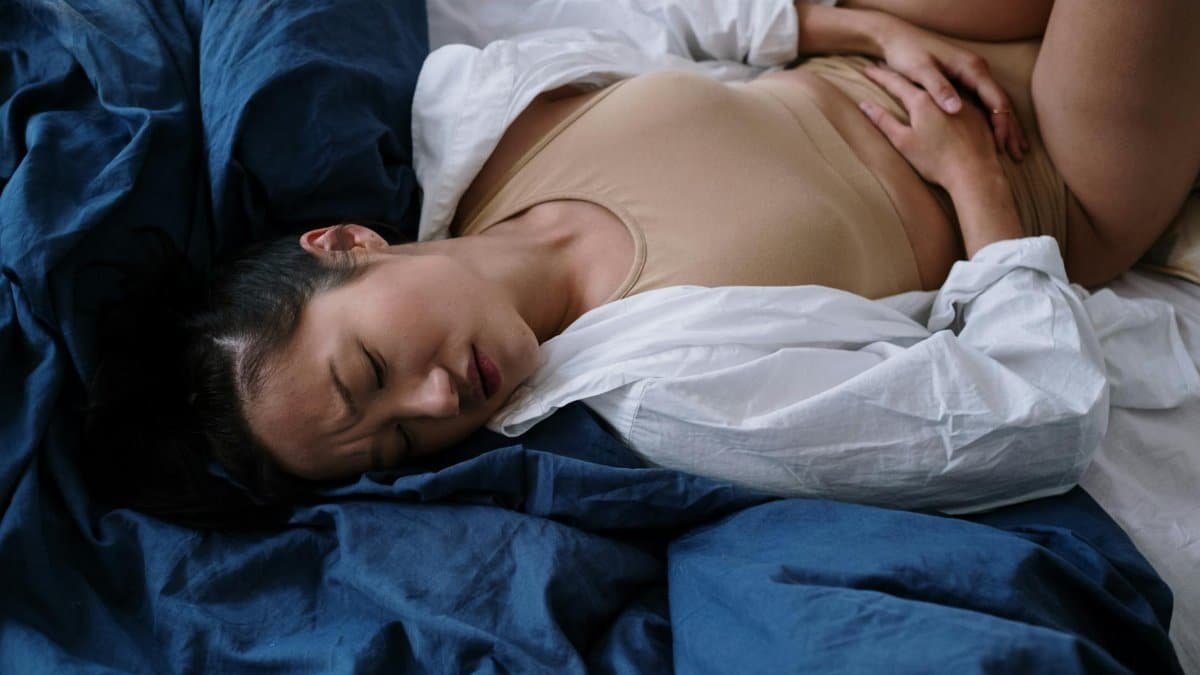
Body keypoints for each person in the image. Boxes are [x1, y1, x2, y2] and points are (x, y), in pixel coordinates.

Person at [85, 1, 1200, 519]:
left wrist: (858, 32)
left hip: (902, 35)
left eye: (369, 373)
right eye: (393, 448)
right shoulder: (667, 390)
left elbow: (677, 15)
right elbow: (1030, 420)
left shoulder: (480, 116)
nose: (434, 406)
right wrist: (979, 188)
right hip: (1051, 160)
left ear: (346, 248)